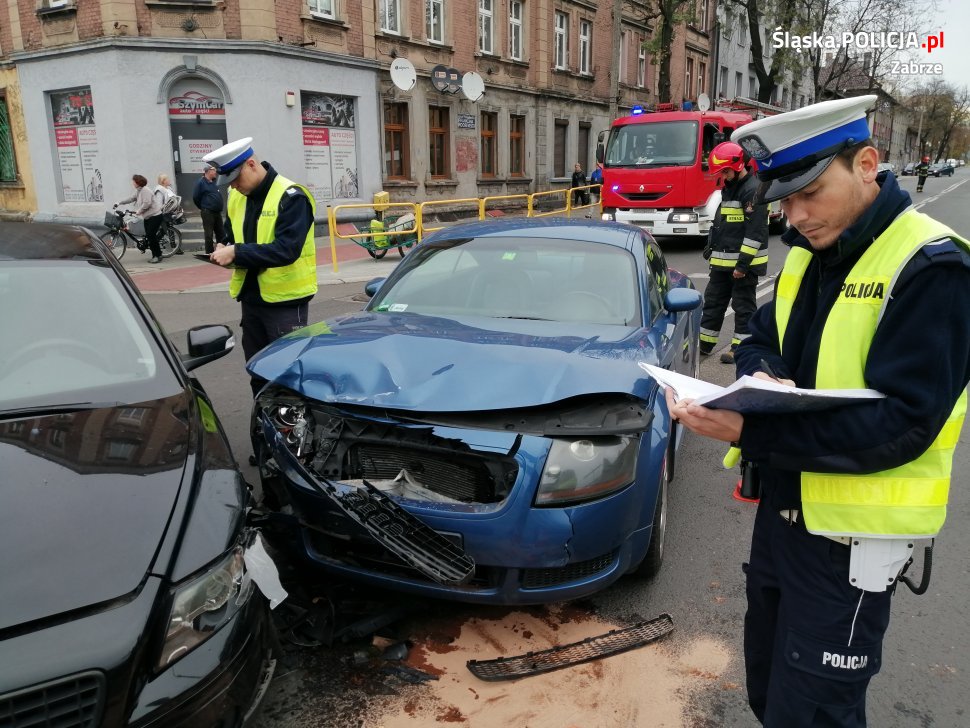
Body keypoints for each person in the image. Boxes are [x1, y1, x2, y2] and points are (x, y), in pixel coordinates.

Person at [666, 95, 970, 726]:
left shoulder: (932, 267)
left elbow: (905, 423)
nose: (795, 216)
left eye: (810, 194)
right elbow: (759, 337)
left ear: (867, 164)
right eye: (784, 200)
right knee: (767, 693)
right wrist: (757, 376)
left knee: (812, 715)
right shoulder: (808, 253)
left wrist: (751, 431)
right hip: (782, 523)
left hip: (849, 547)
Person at [203, 138, 317, 397]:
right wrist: (224, 245)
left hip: (285, 303)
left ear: (252, 165)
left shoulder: (292, 196)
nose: (233, 186)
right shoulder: (237, 195)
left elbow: (287, 250)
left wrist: (237, 252)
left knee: (286, 376)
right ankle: (262, 417)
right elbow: (233, 233)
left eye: (235, 179)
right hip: (252, 299)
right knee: (258, 370)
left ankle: (290, 421)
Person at [699, 141, 769, 365]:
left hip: (743, 267)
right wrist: (711, 246)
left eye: (725, 171)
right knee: (713, 302)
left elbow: (755, 233)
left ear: (738, 167)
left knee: (743, 307)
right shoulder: (730, 188)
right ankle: (704, 345)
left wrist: (742, 265)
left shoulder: (753, 191)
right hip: (722, 262)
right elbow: (724, 224)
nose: (723, 176)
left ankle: (740, 349)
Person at [115, 174, 164, 263]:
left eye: (133, 181)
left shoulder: (145, 190)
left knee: (151, 236)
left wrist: (139, 211)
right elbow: (131, 198)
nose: (132, 183)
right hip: (148, 217)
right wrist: (119, 203)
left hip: (155, 216)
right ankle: (156, 254)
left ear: (137, 182)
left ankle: (157, 256)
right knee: (149, 236)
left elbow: (147, 203)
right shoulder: (139, 190)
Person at [193, 164, 226, 254]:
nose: (215, 172)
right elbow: (196, 197)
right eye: (214, 170)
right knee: (209, 234)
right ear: (208, 171)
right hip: (208, 212)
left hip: (217, 212)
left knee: (221, 233)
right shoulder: (201, 182)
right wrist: (204, 206)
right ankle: (209, 253)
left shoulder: (214, 182)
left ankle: (221, 252)